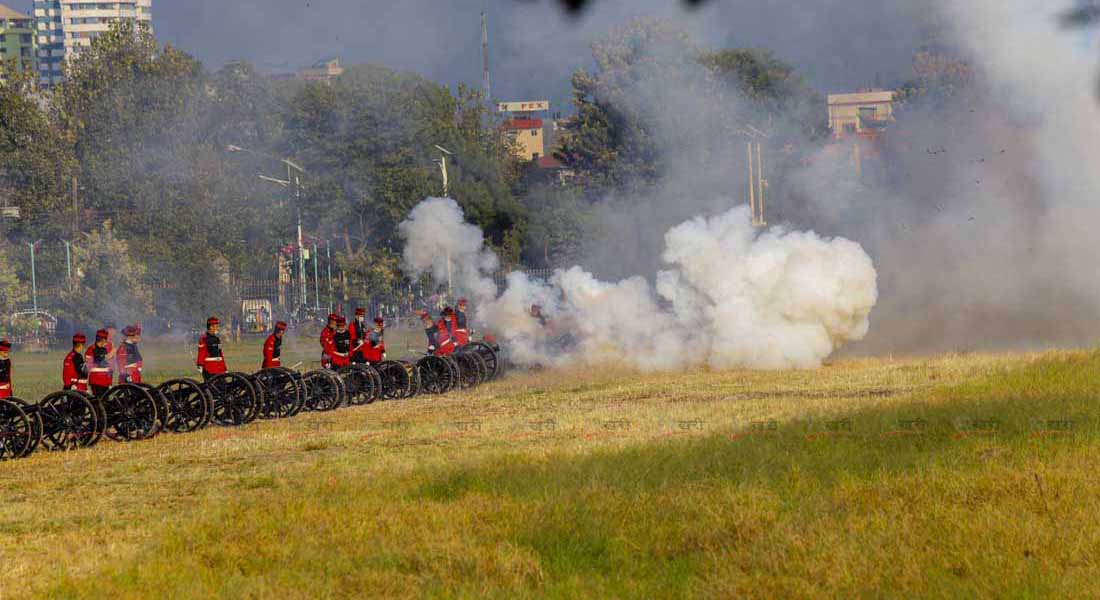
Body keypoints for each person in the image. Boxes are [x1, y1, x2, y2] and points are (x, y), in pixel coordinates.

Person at [196, 317, 227, 382]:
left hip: (219, 368)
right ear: (211, 327)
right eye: (216, 326)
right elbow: (201, 353)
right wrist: (200, 365)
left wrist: (224, 367)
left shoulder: (217, 339)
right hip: (209, 368)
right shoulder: (204, 339)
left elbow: (220, 353)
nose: (217, 327)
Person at [86, 329, 114, 396]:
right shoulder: (91, 349)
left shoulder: (104, 349)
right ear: (102, 340)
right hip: (96, 381)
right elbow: (90, 364)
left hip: (105, 381)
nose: (106, 342)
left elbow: (109, 366)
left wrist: (109, 382)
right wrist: (106, 357)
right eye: (105, 340)